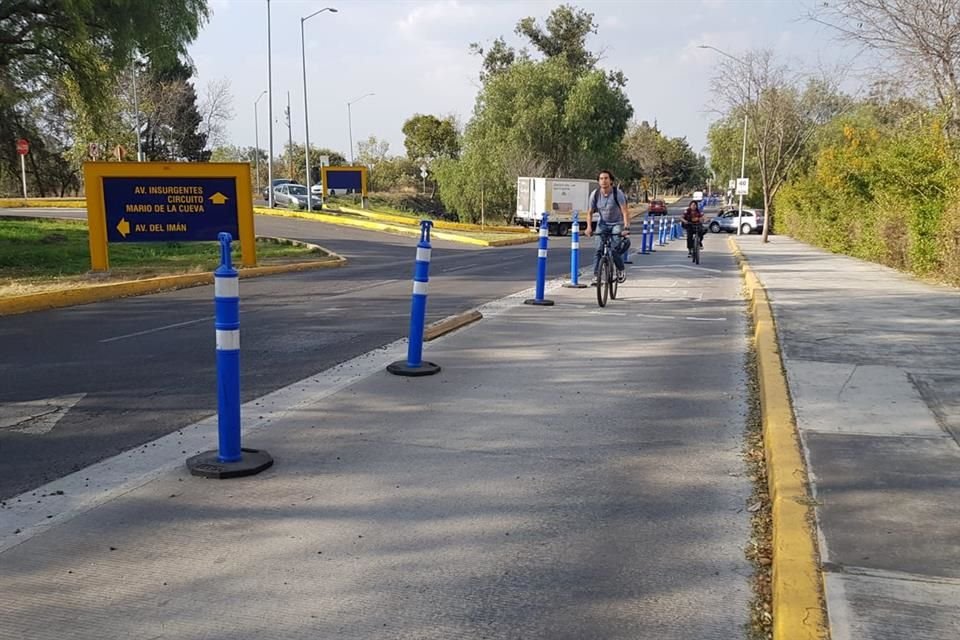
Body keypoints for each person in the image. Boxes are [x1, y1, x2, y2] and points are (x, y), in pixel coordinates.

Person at [585, 170, 631, 286]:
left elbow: (625, 212)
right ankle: (596, 276)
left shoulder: (617, 193)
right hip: (602, 224)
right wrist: (589, 227)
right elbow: (589, 212)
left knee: (615, 249)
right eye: (601, 178)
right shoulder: (595, 194)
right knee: (598, 250)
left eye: (606, 178)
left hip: (616, 223)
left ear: (611, 181)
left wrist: (626, 228)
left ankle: (620, 270)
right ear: (598, 181)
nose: (603, 181)